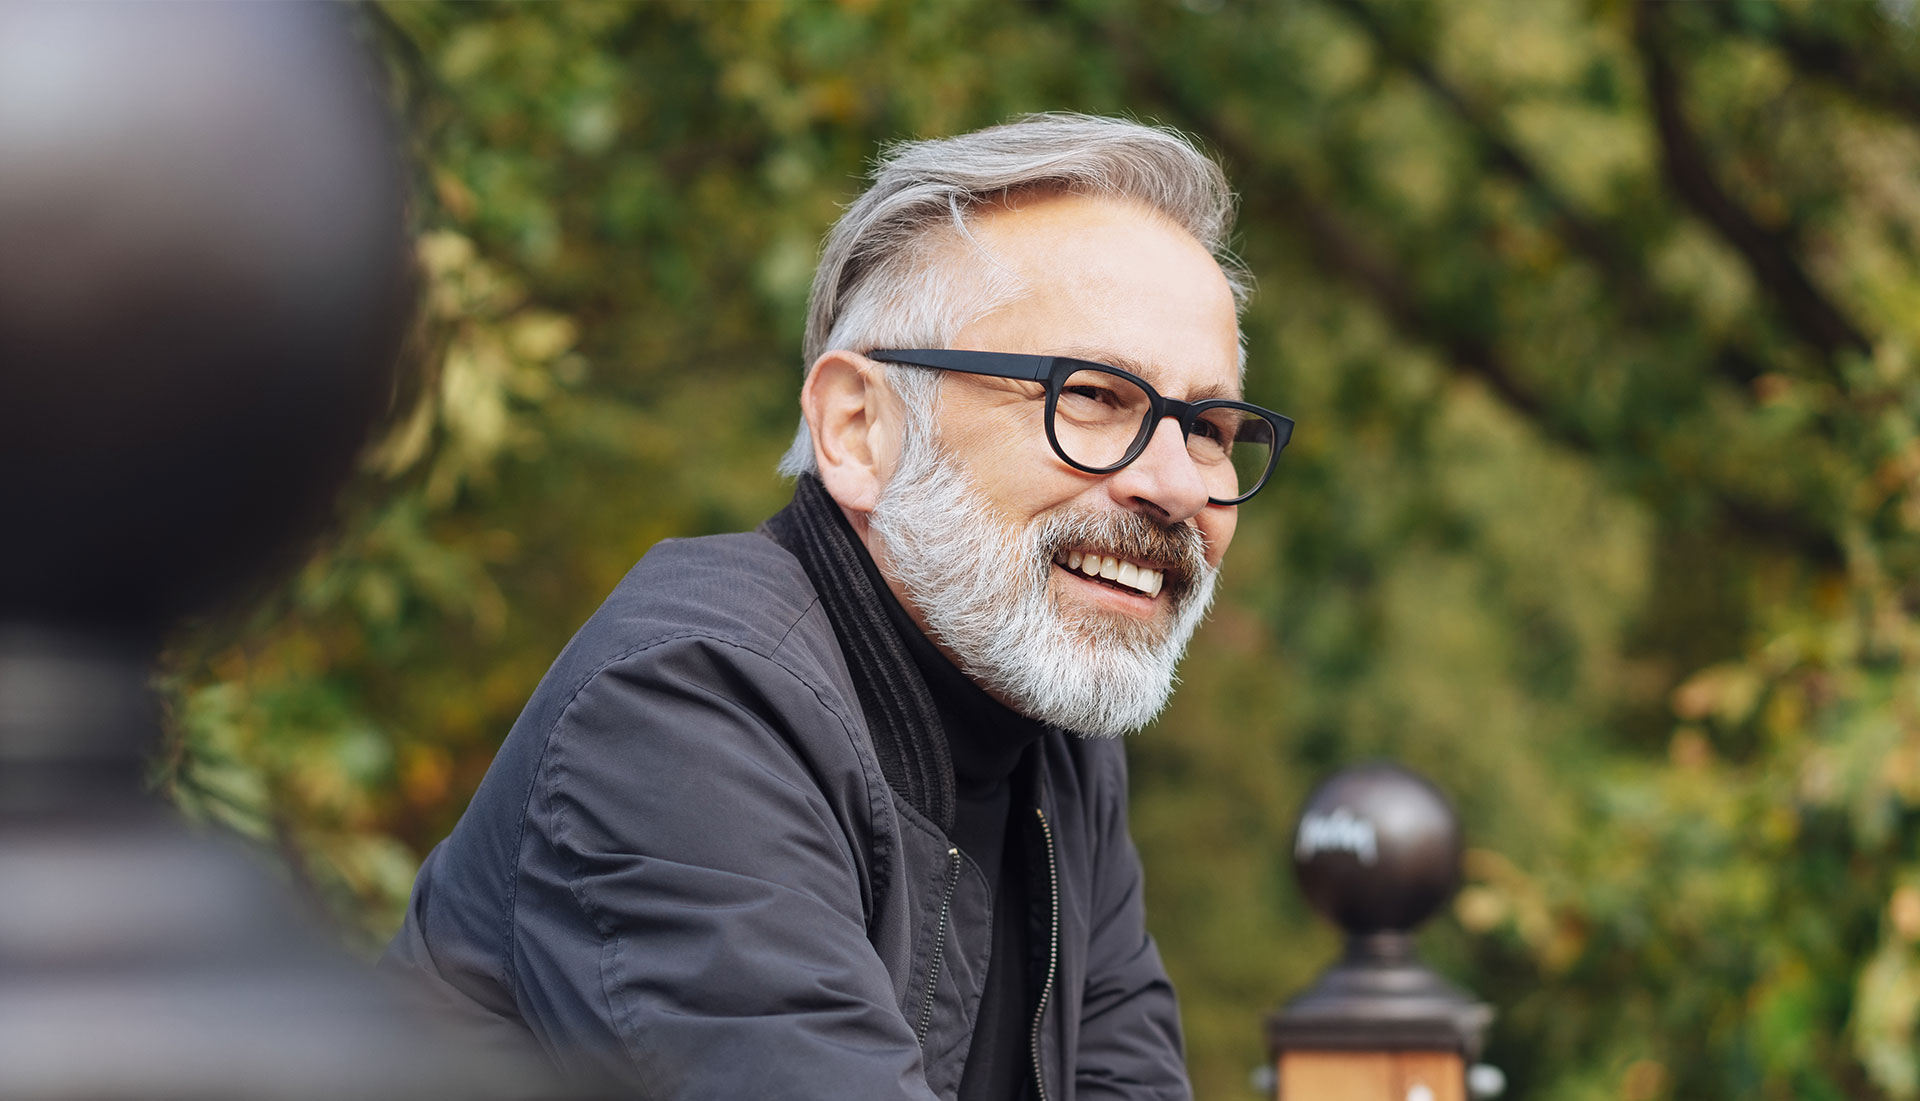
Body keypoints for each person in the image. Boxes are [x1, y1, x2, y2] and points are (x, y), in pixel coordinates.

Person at [383, 112, 1293, 1101]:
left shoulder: (1056, 736)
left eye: (1206, 425)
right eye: (1091, 396)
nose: (1174, 484)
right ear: (859, 429)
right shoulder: (683, 707)